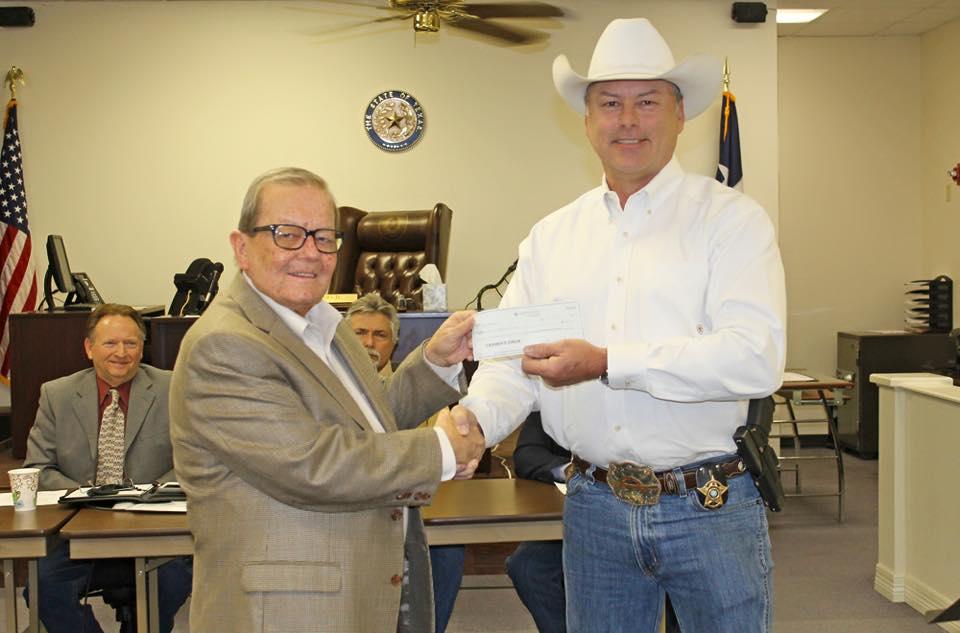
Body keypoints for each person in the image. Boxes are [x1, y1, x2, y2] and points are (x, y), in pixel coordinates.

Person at [449, 18, 786, 633]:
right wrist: (473, 420)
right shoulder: (553, 237)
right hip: (594, 506)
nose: (628, 120)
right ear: (586, 120)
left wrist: (607, 361)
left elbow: (753, 357)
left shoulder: (733, 223)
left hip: (710, 505)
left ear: (680, 115)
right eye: (610, 103)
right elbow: (511, 361)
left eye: (647, 102)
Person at [169, 167, 484, 633]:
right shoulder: (225, 343)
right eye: (287, 235)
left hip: (361, 588)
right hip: (286, 612)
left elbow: (369, 422)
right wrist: (439, 450)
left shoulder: (325, 323)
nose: (310, 253)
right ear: (241, 248)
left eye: (324, 237)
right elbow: (310, 463)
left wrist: (434, 362)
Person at [22, 303, 192, 633]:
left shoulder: (173, 388)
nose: (121, 353)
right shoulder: (57, 394)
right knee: (43, 586)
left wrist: (146, 496)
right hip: (78, 529)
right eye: (110, 343)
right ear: (89, 348)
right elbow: (39, 468)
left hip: (152, 529)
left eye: (131, 343)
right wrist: (89, 495)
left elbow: (192, 460)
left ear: (142, 348)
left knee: (172, 580)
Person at [346, 292, 466, 633]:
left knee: (447, 550)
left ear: (395, 344)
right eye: (359, 333)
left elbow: (438, 454)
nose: (369, 342)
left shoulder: (420, 390)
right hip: (353, 508)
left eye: (380, 335)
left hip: (418, 506)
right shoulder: (332, 388)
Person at [507, 413, 682, 633]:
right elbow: (526, 455)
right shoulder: (555, 391)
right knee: (527, 566)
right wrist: (575, 473)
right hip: (574, 517)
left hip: (654, 515)